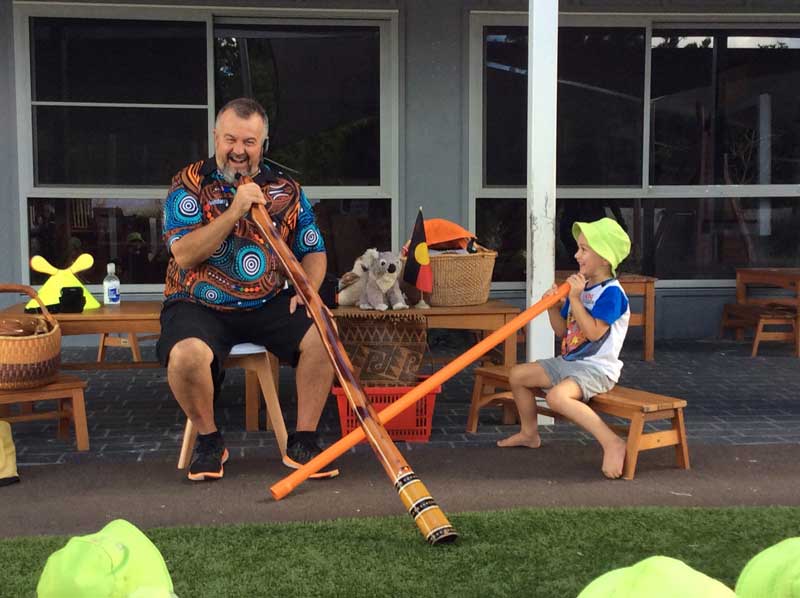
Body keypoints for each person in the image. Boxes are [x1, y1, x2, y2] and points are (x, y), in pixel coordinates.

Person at [156, 97, 337, 482]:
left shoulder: (286, 188)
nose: (238, 150)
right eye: (230, 139)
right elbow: (185, 255)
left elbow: (314, 250)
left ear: (263, 143)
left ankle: (303, 442)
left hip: (267, 301)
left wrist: (309, 291)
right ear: (216, 137)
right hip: (198, 302)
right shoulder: (188, 183)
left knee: (325, 331)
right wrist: (235, 210)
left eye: (249, 142)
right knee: (186, 356)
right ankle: (210, 441)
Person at [497, 217, 632, 479]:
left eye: (584, 249)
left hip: (597, 369)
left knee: (556, 398)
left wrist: (574, 298)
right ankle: (529, 433)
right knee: (518, 375)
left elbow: (593, 334)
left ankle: (612, 442)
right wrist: (552, 307)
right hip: (569, 363)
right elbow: (562, 331)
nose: (576, 254)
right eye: (578, 248)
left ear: (604, 258)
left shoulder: (612, 293)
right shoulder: (583, 288)